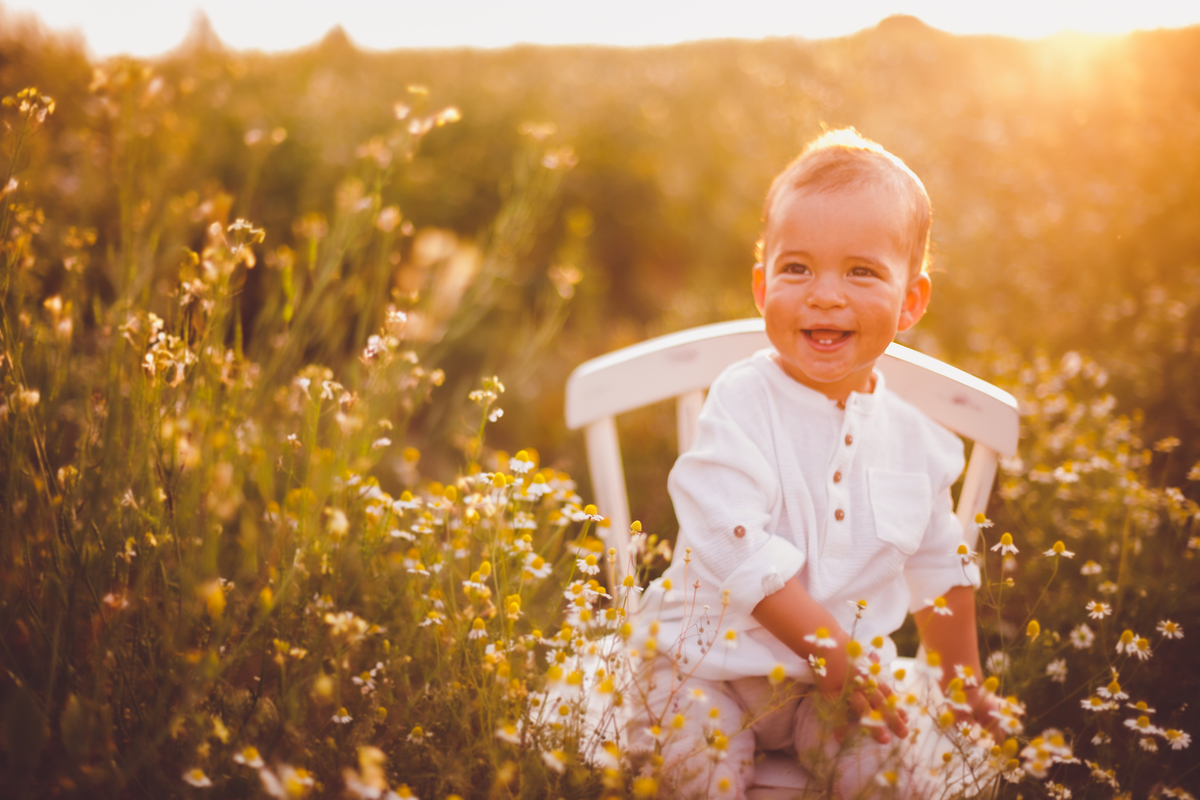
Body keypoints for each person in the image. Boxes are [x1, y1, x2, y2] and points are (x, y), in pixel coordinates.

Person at [628, 129, 998, 798]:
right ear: (761, 284)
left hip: (831, 685)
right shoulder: (742, 400)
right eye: (797, 268)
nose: (825, 294)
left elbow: (940, 566)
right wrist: (833, 649)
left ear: (911, 301)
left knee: (889, 770)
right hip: (701, 666)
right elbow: (733, 545)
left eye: (861, 271)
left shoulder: (918, 439)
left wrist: (961, 682)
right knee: (700, 769)